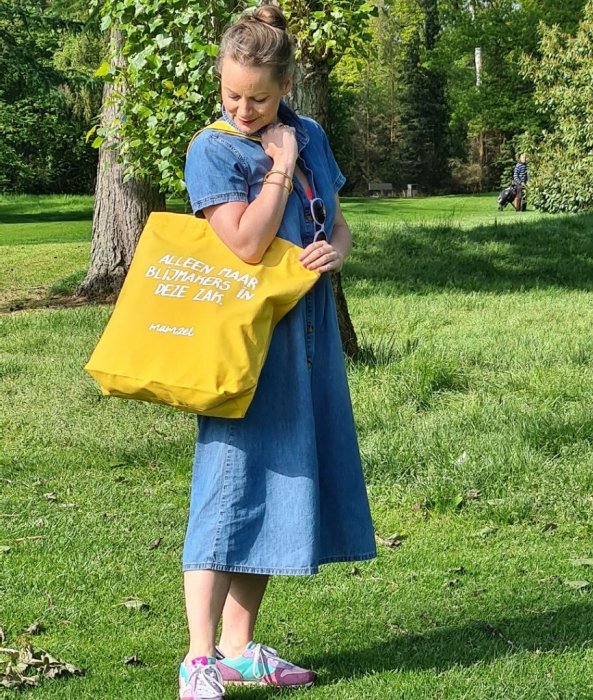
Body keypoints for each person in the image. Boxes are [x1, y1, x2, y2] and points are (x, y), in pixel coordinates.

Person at [178, 6, 376, 699]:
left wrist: (333, 255)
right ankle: (198, 658)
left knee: (279, 482)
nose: (242, 108)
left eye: (258, 98)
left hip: (307, 335)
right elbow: (245, 244)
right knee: (226, 486)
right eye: (231, 95)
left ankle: (238, 646)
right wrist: (280, 170)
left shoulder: (311, 133)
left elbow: (341, 228)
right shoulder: (215, 148)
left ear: (286, 84)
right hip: (244, 343)